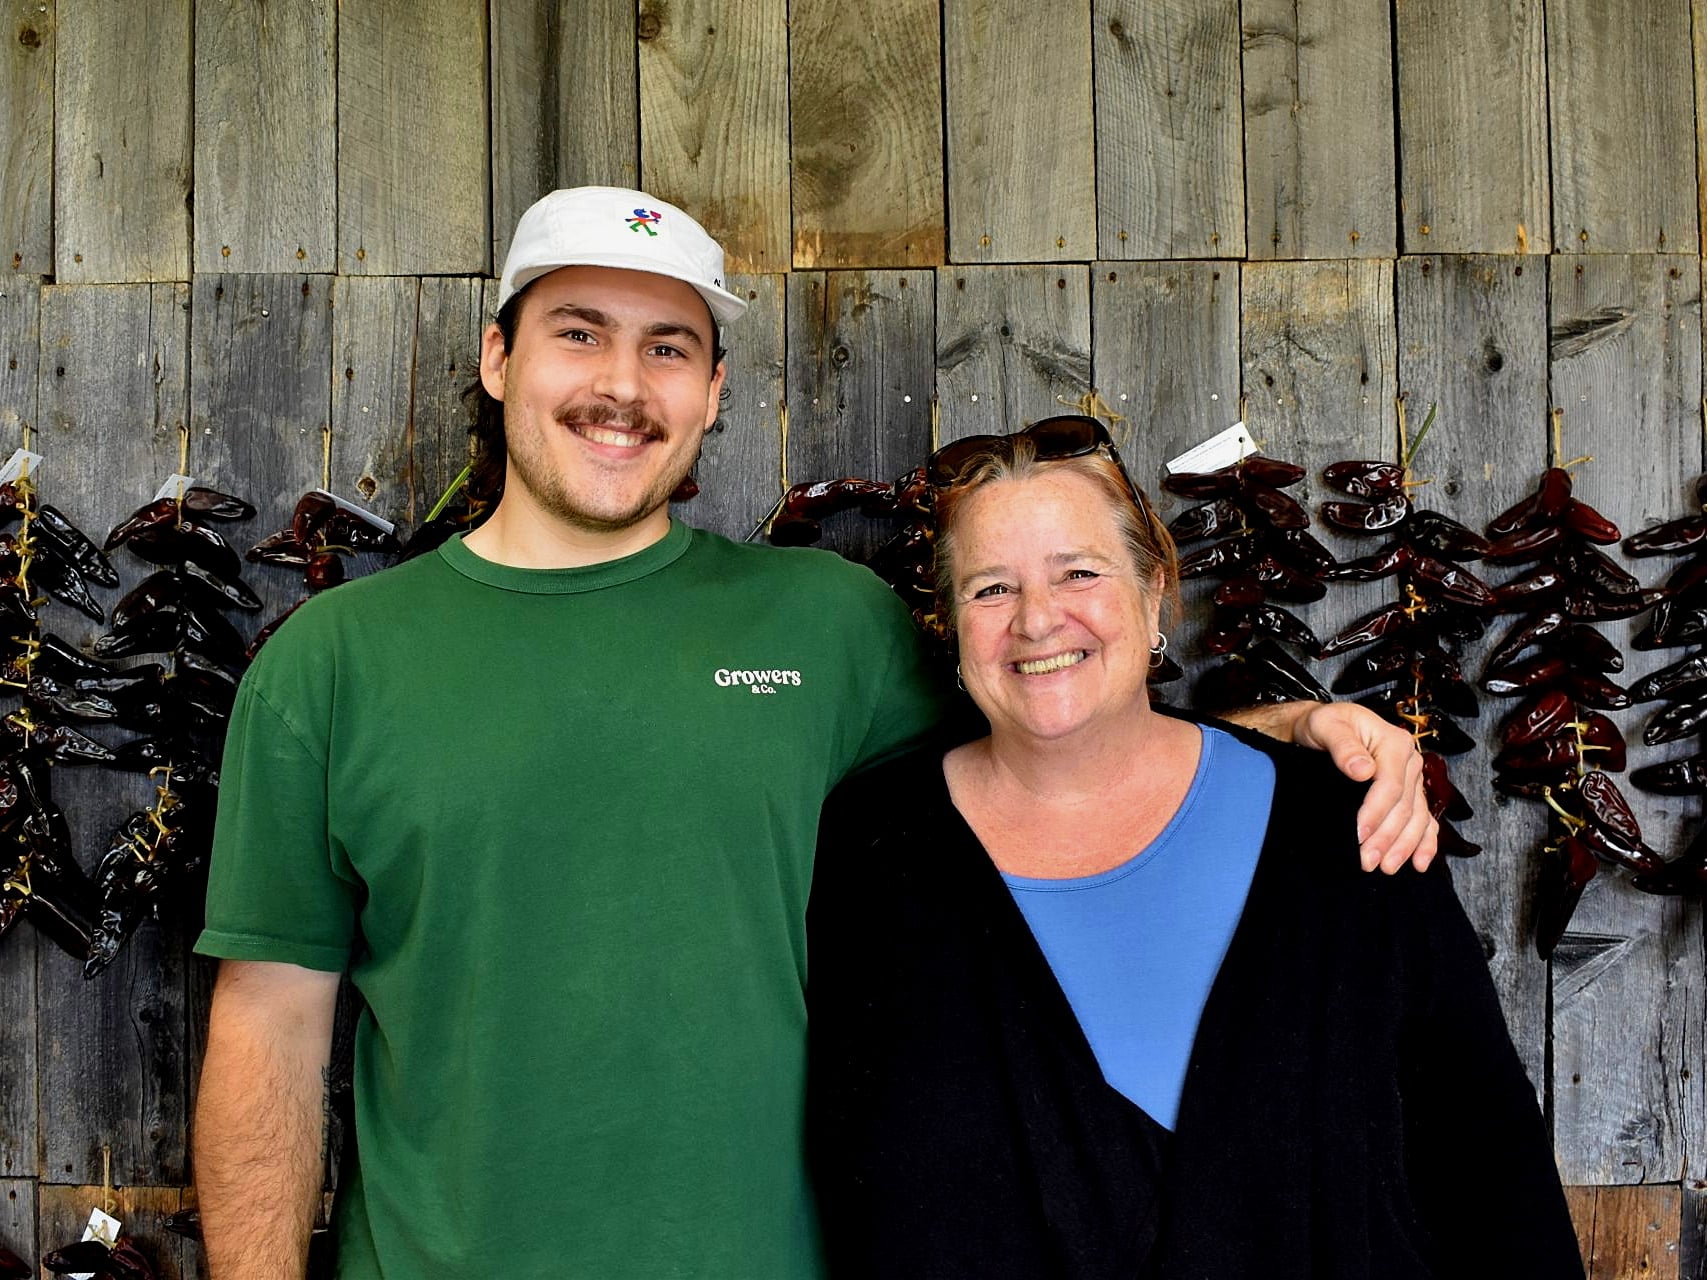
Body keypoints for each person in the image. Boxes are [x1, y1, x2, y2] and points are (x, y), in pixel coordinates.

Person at [191, 188, 1437, 1278]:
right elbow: (269, 1030)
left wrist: (1293, 729)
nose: (623, 385)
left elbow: (1055, 750)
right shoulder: (333, 664)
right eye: (579, 333)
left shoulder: (826, 625)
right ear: (498, 357)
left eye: (669, 348)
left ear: (714, 391)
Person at [806, 417, 1584, 1278]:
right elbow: (849, 1185)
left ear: (1154, 595)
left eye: (1078, 572)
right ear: (951, 625)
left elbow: (1483, 1149)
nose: (1037, 619)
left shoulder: (1342, 823)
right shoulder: (867, 853)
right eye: (990, 588)